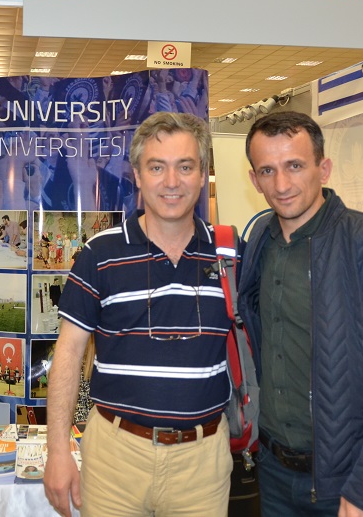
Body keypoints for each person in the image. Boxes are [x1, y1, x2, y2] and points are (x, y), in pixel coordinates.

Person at [239, 111, 363, 517]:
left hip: (350, 478)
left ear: (323, 168)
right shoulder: (260, 240)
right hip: (273, 473)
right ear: (254, 179)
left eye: (295, 166)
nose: (281, 184)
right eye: (268, 170)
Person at [44, 112, 233, 517]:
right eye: (157, 167)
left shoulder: (231, 255)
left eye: (185, 167)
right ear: (137, 176)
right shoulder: (99, 253)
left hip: (203, 466)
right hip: (114, 460)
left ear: (203, 175)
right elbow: (68, 353)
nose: (171, 181)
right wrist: (57, 451)